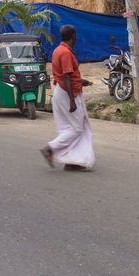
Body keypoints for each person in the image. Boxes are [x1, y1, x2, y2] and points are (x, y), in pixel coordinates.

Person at [41, 25, 95, 171]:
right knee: (77, 128)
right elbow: (65, 76)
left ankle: (72, 160)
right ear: (73, 37)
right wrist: (72, 100)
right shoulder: (65, 52)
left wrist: (80, 81)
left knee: (70, 127)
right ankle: (50, 149)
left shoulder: (58, 50)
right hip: (67, 93)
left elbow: (67, 75)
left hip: (62, 90)